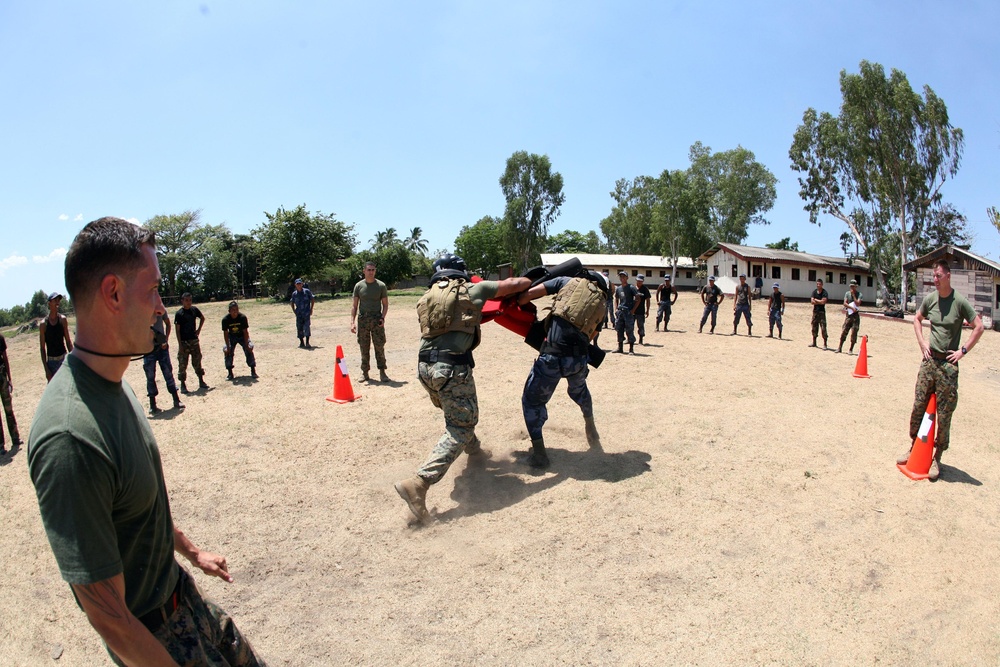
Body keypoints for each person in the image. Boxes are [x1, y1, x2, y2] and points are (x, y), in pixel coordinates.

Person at [26, 217, 265, 666]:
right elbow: (108, 615)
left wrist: (192, 552)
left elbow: (139, 504)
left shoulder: (117, 384)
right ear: (113, 293)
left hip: (181, 596)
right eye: (153, 289)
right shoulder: (71, 435)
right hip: (153, 635)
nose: (161, 307)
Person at [394, 254, 531, 524]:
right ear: (461, 272)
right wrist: (531, 278)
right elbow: (515, 284)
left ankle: (475, 451)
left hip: (425, 368)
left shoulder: (425, 298)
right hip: (452, 368)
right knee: (460, 426)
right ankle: (419, 483)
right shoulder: (474, 289)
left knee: (460, 413)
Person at [897, 259, 984, 480]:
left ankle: (937, 457)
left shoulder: (959, 302)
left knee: (944, 414)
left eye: (938, 276)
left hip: (948, 366)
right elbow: (917, 319)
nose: (935, 280)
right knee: (919, 405)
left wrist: (962, 351)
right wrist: (922, 343)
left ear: (948, 276)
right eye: (933, 276)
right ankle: (914, 446)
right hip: (929, 361)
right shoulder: (930, 300)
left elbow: (979, 327)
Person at [516, 271, 607, 468]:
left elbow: (527, 296)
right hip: (578, 361)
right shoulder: (602, 304)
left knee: (532, 402)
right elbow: (592, 335)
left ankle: (539, 454)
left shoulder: (566, 281)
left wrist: (518, 302)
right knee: (579, 390)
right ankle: (590, 424)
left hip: (552, 356)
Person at [350, 262, 390, 382]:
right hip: (363, 320)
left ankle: (382, 372)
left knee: (379, 346)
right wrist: (352, 322)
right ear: (364, 271)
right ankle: (365, 372)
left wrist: (382, 318)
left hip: (376, 320)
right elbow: (354, 306)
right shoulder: (359, 286)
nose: (371, 272)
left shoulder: (381, 286)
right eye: (369, 270)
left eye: (373, 270)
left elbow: (385, 305)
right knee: (364, 347)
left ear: (375, 271)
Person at [142, 313, 184, 414]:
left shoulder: (159, 308)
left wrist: (165, 339)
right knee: (150, 376)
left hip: (161, 345)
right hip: (148, 346)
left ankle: (176, 399)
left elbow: (168, 324)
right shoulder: (141, 309)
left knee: (168, 373)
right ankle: (152, 404)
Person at [174, 292, 209, 393]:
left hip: (194, 340)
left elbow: (202, 318)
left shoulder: (194, 310)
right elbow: (177, 330)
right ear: (182, 301)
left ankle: (201, 381)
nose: (188, 302)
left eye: (190, 300)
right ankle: (183, 385)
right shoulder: (179, 314)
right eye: (186, 300)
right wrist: (180, 344)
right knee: (182, 364)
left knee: (197, 361)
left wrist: (198, 330)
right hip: (184, 342)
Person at [39, 292, 73, 382]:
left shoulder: (62, 320)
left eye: (58, 300)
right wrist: (46, 369)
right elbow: (42, 349)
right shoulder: (43, 324)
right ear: (49, 303)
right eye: (55, 300)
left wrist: (74, 359)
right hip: (51, 363)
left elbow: (68, 341)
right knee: (55, 393)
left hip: (63, 359)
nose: (57, 302)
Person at [223, 301, 258, 380]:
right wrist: (228, 347)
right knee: (227, 351)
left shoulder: (242, 317)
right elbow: (225, 334)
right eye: (233, 310)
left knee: (249, 348)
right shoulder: (225, 319)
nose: (235, 312)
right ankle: (230, 373)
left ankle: (253, 370)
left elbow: (245, 332)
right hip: (231, 336)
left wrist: (246, 344)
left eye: (236, 310)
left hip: (242, 335)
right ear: (229, 311)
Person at [0, 332, 21, 455]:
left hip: (2, 376)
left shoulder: (0, 338)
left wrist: (9, 379)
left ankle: (15, 438)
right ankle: (1, 445)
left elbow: (5, 358)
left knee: (9, 408)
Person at [614, 271, 639, 354]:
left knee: (629, 330)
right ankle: (620, 348)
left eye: (624, 277)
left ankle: (631, 349)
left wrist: (633, 310)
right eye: (621, 277)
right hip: (620, 312)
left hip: (628, 312)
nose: (622, 278)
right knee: (619, 329)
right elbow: (616, 299)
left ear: (627, 278)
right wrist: (616, 309)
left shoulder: (631, 287)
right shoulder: (618, 288)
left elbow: (638, 298)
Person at [837, 280, 863, 354]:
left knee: (854, 332)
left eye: (853, 286)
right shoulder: (847, 294)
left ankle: (851, 349)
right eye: (851, 286)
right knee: (844, 331)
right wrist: (851, 308)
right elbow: (845, 303)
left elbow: (858, 303)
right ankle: (840, 347)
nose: (851, 287)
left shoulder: (859, 294)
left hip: (855, 316)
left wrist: (854, 296)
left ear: (856, 286)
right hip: (849, 315)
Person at [289, 278, 315, 349]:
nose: (299, 285)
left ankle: (307, 342)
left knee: (307, 327)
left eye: (300, 284)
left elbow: (312, 299)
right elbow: (292, 302)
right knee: (299, 328)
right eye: (297, 284)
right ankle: (301, 342)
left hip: (306, 313)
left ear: (302, 284)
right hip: (299, 314)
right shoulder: (294, 294)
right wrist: (294, 310)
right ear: (295, 285)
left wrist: (311, 309)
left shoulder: (307, 291)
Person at [809, 279, 830, 348]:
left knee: (823, 328)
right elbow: (812, 302)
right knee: (814, 327)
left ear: (822, 285)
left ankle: (825, 344)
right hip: (815, 312)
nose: (818, 285)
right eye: (817, 284)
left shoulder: (824, 292)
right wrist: (819, 301)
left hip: (821, 312)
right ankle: (814, 342)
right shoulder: (814, 292)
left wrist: (816, 300)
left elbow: (823, 302)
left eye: (820, 284)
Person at [634, 274, 651, 344]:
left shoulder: (645, 289)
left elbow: (648, 300)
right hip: (632, 310)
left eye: (640, 281)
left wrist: (647, 310)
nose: (639, 282)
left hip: (641, 311)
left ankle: (641, 339)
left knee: (640, 325)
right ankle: (630, 339)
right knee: (630, 326)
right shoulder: (633, 288)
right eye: (638, 281)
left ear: (643, 281)